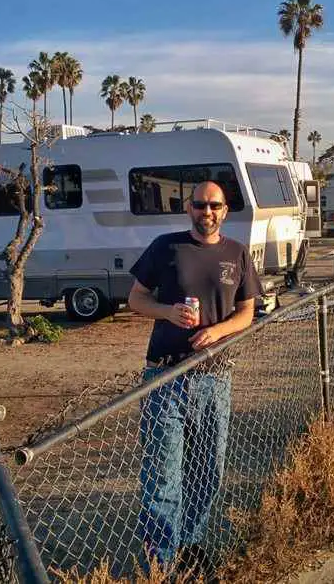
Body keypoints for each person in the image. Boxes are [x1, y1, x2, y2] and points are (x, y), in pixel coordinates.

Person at [127, 181, 264, 571]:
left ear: (225, 210)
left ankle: (188, 547)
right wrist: (168, 312)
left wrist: (217, 332)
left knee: (208, 473)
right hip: (165, 377)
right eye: (200, 205)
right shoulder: (166, 247)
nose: (207, 212)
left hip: (215, 379)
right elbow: (136, 298)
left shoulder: (236, 254)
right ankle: (162, 565)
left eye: (215, 206)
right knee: (163, 476)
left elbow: (246, 312)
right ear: (189, 208)